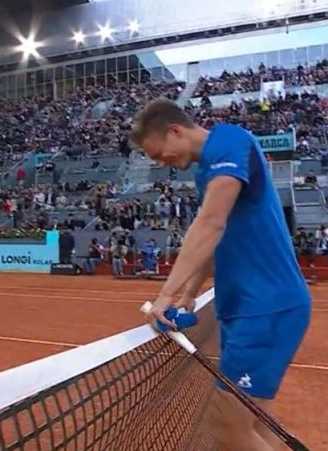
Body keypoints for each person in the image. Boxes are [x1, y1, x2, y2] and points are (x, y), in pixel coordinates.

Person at [132, 99, 311, 451]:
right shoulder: (208, 172)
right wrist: (188, 294)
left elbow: (211, 223)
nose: (160, 163)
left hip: (265, 308)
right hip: (246, 310)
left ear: (175, 131)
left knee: (228, 429)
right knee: (255, 422)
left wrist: (165, 296)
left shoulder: (229, 141)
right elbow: (217, 238)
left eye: (158, 153)